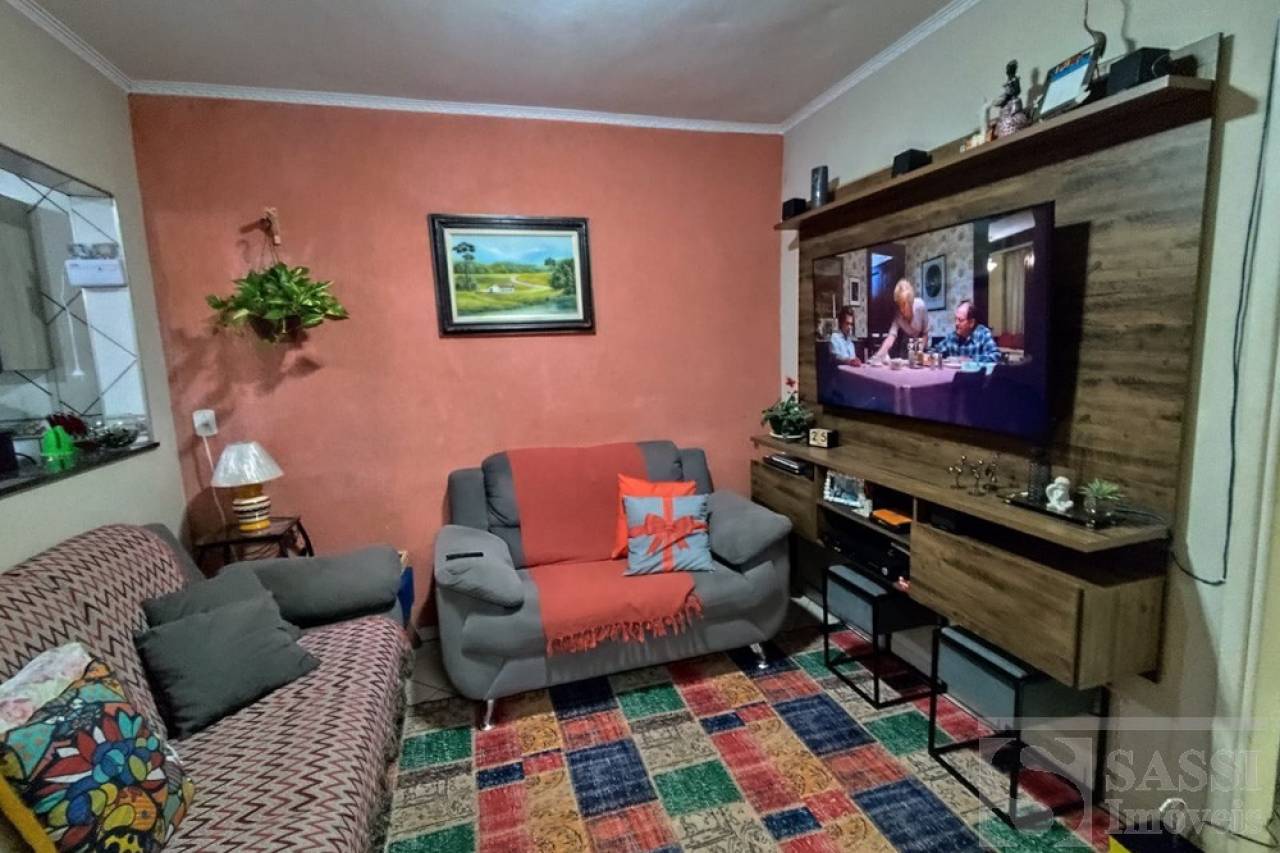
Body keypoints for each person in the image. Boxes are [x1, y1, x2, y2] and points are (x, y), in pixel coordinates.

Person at [873, 278, 928, 360]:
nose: (901, 309)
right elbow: (891, 337)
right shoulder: (898, 315)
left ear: (911, 302)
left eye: (903, 304)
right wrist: (879, 355)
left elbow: (925, 334)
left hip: (921, 343)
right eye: (899, 305)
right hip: (906, 343)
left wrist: (919, 351)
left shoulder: (920, 306)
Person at [933, 299, 999, 363]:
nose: (956, 323)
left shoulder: (983, 334)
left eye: (960, 320)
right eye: (956, 319)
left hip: (975, 370)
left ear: (971, 323)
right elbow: (935, 351)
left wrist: (970, 360)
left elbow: (995, 357)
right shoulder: (952, 337)